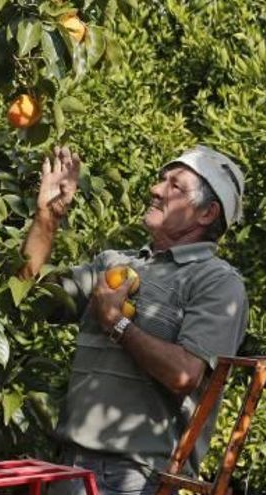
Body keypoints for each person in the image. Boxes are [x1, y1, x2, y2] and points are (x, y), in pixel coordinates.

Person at [19, 145, 248, 495]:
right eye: (160, 180)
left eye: (176, 186)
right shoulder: (112, 263)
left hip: (136, 477)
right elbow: (26, 296)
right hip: (69, 467)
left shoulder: (216, 282)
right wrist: (49, 216)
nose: (156, 190)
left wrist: (117, 324)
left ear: (207, 213)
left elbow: (185, 374)